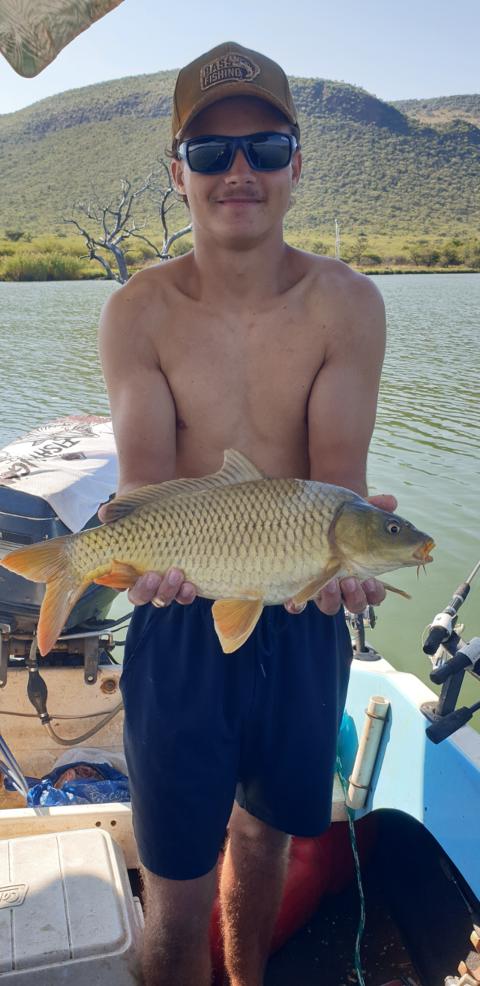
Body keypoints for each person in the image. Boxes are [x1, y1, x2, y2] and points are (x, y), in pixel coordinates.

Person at [98, 41, 394, 986]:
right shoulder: (137, 312)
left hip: (302, 610)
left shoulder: (348, 304)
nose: (239, 172)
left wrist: (352, 562)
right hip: (182, 613)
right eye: (211, 150)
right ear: (176, 171)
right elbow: (146, 489)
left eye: (264, 149)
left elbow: (336, 479)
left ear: (297, 165)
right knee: (179, 889)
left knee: (265, 843)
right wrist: (132, 564)